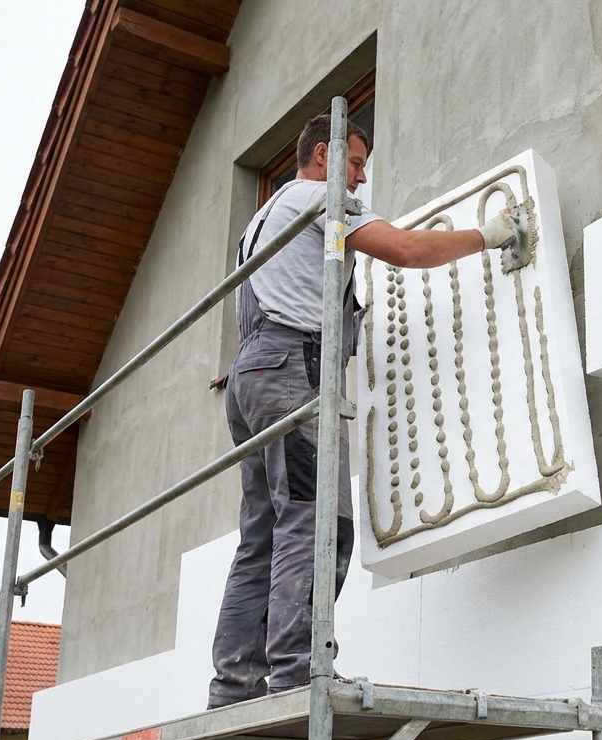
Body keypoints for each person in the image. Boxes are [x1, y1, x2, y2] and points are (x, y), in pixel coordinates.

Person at [207, 114, 516, 708]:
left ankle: (234, 685)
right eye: (353, 164)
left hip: (250, 380)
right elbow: (404, 248)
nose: (360, 178)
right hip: (293, 372)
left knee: (262, 536)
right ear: (322, 156)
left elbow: (292, 291)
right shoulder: (320, 199)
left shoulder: (260, 221)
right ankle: (299, 674)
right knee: (319, 522)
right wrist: (488, 235)